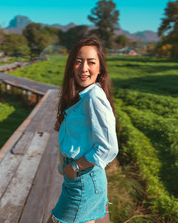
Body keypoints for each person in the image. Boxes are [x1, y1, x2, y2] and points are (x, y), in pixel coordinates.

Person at [48, 38, 118, 223]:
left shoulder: (94, 97)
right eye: (78, 61)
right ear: (71, 65)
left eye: (91, 62)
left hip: (83, 179)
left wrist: (74, 167)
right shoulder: (82, 96)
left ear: (100, 67)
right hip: (82, 179)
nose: (84, 68)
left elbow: (109, 148)